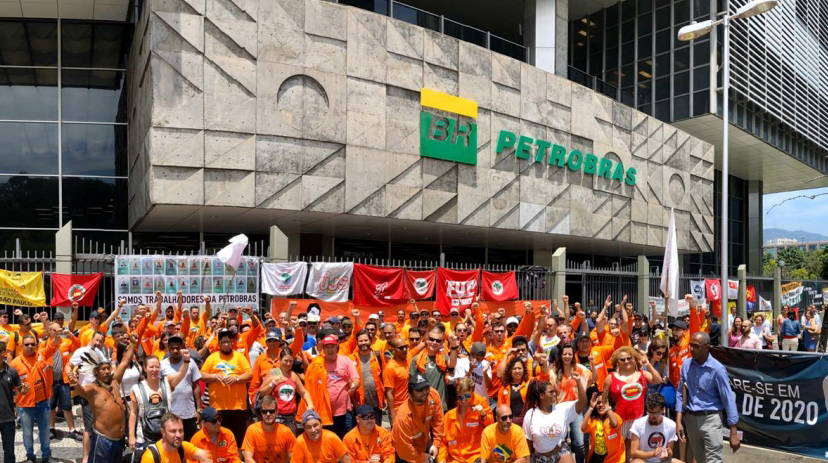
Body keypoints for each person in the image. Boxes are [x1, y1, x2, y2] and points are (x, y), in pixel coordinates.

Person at [69, 334, 139, 463]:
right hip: (103, 440)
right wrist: (75, 383)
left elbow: (124, 362)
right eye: (103, 369)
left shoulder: (114, 381)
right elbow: (82, 391)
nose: (107, 371)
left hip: (119, 440)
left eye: (108, 368)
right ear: (96, 372)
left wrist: (133, 344)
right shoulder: (93, 388)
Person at [676, 332, 740, 463]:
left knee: (713, 460)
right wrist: (679, 420)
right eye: (690, 345)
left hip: (711, 419)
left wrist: (733, 432)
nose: (691, 349)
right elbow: (680, 393)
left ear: (706, 347)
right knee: (700, 460)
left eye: (696, 346)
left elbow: (728, 399)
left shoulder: (717, 369)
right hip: (691, 420)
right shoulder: (686, 365)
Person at [11, 329, 60, 463]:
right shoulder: (15, 363)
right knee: (27, 433)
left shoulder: (41, 355)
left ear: (36, 345)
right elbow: (10, 385)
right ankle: (30, 457)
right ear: (22, 346)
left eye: (32, 344)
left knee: (44, 431)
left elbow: (52, 346)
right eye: (27, 344)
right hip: (25, 405)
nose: (30, 346)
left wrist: (55, 335)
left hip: (43, 402)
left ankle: (46, 456)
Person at [200, 327, 253, 446]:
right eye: (223, 342)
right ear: (219, 344)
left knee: (237, 440)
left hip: (237, 407)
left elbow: (249, 374)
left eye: (228, 342)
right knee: (219, 440)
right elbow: (202, 374)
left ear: (232, 342)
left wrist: (237, 378)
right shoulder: (212, 357)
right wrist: (214, 377)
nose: (226, 344)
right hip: (217, 407)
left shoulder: (239, 357)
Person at [603, 346, 661, 452]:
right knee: (620, 451)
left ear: (635, 359)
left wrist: (647, 364)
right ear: (617, 362)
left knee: (635, 450)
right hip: (619, 421)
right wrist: (609, 413)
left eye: (629, 358)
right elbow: (604, 399)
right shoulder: (610, 377)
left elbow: (658, 380)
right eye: (622, 359)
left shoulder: (643, 374)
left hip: (638, 420)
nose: (626, 361)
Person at [129, 354, 189, 453]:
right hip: (144, 438)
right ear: (145, 368)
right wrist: (131, 436)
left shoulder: (167, 382)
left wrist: (186, 360)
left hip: (166, 438)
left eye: (157, 367)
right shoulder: (136, 389)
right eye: (151, 367)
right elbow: (133, 413)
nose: (154, 370)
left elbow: (180, 374)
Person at [522, 375, 587, 463]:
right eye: (551, 392)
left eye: (554, 391)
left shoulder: (562, 409)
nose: (555, 394)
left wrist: (578, 381)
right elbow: (528, 442)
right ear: (541, 396)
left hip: (560, 452)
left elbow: (582, 403)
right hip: (540, 457)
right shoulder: (530, 415)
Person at [549, 343, 590, 463]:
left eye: (570, 354)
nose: (567, 356)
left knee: (579, 443)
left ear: (573, 355)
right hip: (559, 410)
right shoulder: (554, 372)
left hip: (576, 408)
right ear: (560, 355)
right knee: (560, 442)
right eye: (564, 354)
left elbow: (591, 379)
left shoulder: (581, 369)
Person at [259, 348, 315, 435]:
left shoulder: (293, 375)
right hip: (276, 416)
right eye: (286, 360)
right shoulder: (274, 372)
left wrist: (310, 404)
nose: (288, 363)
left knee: (290, 445)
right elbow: (262, 392)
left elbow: (304, 392)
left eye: (291, 361)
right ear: (280, 360)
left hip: (291, 417)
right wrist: (273, 384)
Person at [391, 373, 444, 463]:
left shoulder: (433, 395)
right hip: (405, 453)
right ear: (410, 394)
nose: (425, 392)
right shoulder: (403, 416)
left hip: (423, 444)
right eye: (419, 390)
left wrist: (436, 444)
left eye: (426, 388)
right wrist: (422, 458)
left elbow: (438, 422)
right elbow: (405, 450)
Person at [438, 377, 493, 463]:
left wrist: (483, 414)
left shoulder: (480, 402)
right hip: (455, 459)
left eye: (467, 396)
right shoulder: (449, 416)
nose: (463, 400)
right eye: (460, 397)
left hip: (475, 457)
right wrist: (441, 459)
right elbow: (443, 443)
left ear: (472, 393)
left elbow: (490, 426)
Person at [159, 334, 202, 440]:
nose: (175, 351)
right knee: (173, 442)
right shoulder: (162, 365)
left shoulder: (190, 362)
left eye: (177, 348)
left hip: (188, 412)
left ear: (182, 348)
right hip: (170, 412)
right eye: (172, 348)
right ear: (168, 348)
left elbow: (196, 386)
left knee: (189, 442)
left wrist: (198, 408)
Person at [410, 325, 458, 412]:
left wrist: (453, 347)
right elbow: (411, 383)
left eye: (438, 341)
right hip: (422, 405)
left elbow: (452, 364)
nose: (434, 342)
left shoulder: (444, 358)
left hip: (440, 404)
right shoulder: (416, 359)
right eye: (432, 339)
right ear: (427, 340)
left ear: (442, 343)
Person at [241, 395, 297, 463]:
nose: (268, 414)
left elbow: (295, 458)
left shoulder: (286, 431)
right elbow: (248, 458)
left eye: (271, 411)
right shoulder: (252, 430)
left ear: (276, 412)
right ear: (261, 412)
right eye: (265, 411)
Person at [629, 393, 681, 463]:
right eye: (649, 412)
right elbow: (633, 452)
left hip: (662, 460)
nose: (650, 416)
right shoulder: (638, 423)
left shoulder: (671, 425)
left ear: (663, 410)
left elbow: (670, 451)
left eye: (654, 413)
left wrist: (667, 453)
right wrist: (653, 453)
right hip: (643, 460)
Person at [139, 412, 210, 463]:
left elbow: (208, 456)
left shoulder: (182, 447)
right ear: (163, 432)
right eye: (173, 431)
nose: (178, 435)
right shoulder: (151, 457)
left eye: (181, 430)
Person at [351, 330, 385, 425]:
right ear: (357, 342)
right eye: (360, 341)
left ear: (370, 340)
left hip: (376, 403)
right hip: (359, 404)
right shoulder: (351, 359)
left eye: (366, 340)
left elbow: (384, 375)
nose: (363, 343)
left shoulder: (378, 355)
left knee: (376, 430)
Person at [0, 341, 26, 463]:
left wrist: (25, 389)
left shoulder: (11, 371)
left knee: (9, 452)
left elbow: (21, 390)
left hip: (8, 417)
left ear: (3, 353)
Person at [582, 393, 624, 463]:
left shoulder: (614, 416)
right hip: (596, 456)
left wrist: (607, 407)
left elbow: (615, 424)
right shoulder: (593, 419)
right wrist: (591, 407)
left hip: (613, 458)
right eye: (598, 403)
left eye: (603, 402)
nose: (601, 405)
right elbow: (583, 428)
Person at [382, 337, 411, 425]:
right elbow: (389, 394)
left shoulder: (408, 357)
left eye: (406, 346)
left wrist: (430, 326)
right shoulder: (390, 368)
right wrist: (393, 417)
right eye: (401, 348)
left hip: (411, 407)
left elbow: (423, 343)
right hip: (398, 409)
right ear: (393, 350)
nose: (404, 349)